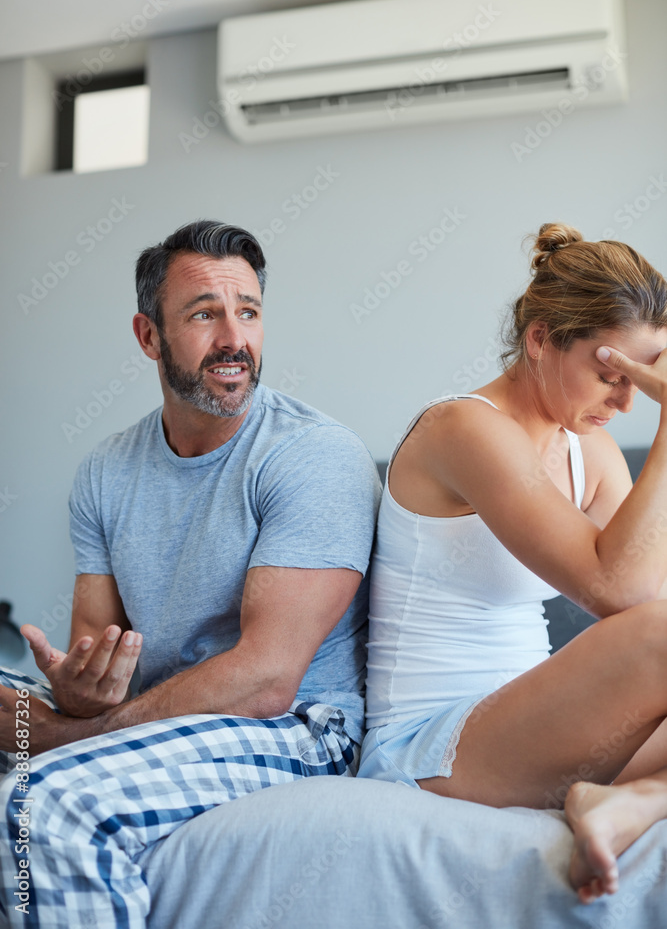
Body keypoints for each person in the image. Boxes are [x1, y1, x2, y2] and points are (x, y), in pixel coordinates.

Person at [0, 220, 380, 928]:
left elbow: (268, 681)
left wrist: (68, 737)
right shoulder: (105, 470)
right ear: (149, 337)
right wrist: (79, 696)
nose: (234, 339)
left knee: (45, 801)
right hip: (158, 711)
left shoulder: (314, 456)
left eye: (249, 312)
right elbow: (96, 661)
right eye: (205, 314)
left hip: (302, 729)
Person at [358, 222, 667, 905]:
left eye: (644, 382)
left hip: (530, 737)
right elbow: (622, 595)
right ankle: (631, 800)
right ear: (539, 339)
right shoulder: (462, 430)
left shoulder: (592, 454)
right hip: (427, 749)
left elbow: (647, 595)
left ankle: (633, 803)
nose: (624, 403)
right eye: (611, 374)